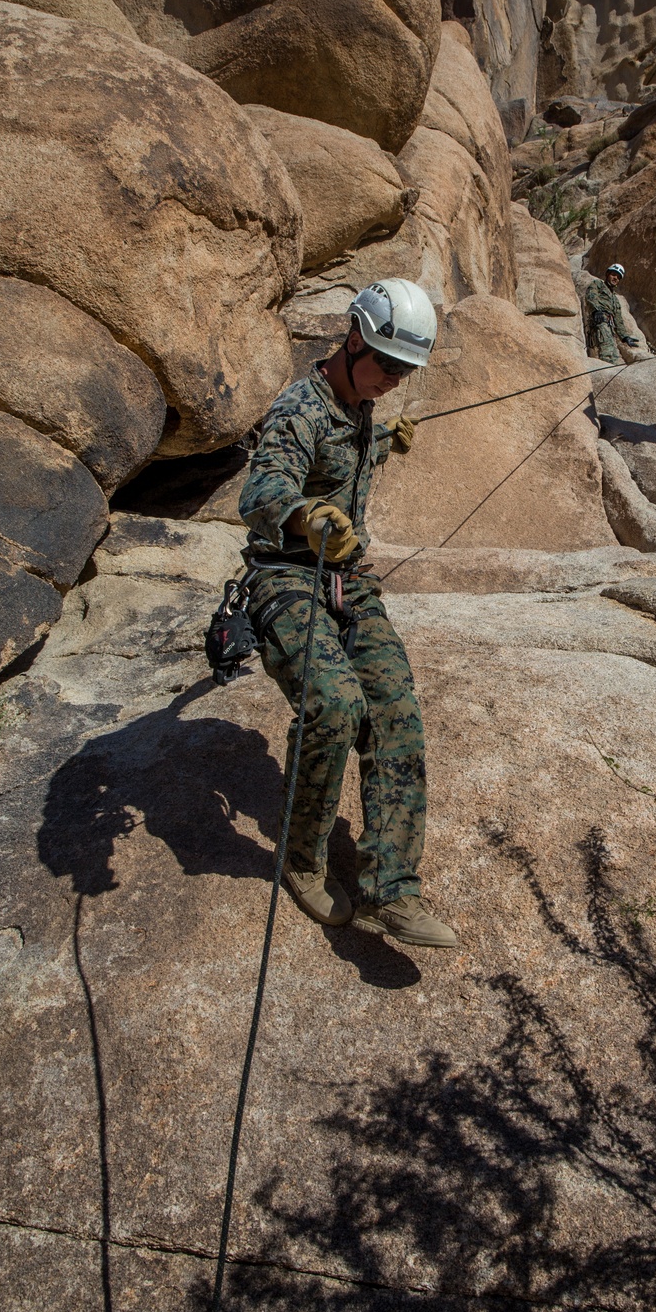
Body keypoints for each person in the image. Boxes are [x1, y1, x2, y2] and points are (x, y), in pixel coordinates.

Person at [238, 278, 458, 949]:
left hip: (349, 583)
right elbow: (264, 486)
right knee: (335, 705)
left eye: (405, 372)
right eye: (387, 366)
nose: (393, 380)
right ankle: (302, 859)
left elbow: (347, 448)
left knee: (393, 706)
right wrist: (307, 516)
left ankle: (394, 889)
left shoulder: (360, 405)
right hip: (286, 577)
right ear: (355, 338)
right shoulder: (298, 410)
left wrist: (387, 439)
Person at [585, 263, 638, 364]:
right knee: (607, 353)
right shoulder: (598, 284)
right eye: (613, 275)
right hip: (600, 323)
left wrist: (624, 336)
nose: (615, 278)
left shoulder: (615, 299)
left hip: (609, 327)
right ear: (607, 274)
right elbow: (591, 296)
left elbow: (618, 319)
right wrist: (597, 310)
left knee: (614, 355)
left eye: (618, 277)